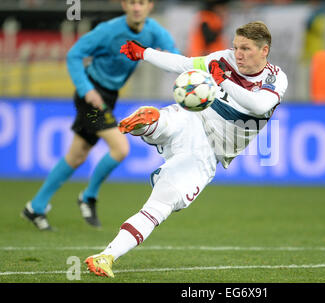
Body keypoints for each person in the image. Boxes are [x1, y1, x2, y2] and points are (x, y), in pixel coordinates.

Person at [84, 21, 288, 278]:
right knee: (172, 134)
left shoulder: (275, 77)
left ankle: (106, 256)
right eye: (236, 47)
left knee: (160, 203)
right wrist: (143, 52)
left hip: (207, 149)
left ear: (264, 50)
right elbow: (183, 64)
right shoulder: (223, 60)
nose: (237, 54)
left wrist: (222, 81)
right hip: (196, 123)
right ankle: (150, 125)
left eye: (246, 49)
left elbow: (259, 106)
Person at [21, 0, 180, 231]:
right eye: (132, 2)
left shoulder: (154, 31)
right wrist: (87, 90)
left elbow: (173, 58)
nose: (137, 7)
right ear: (125, 5)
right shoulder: (108, 31)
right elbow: (74, 54)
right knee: (121, 148)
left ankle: (35, 207)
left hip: (110, 96)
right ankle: (88, 196)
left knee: (77, 155)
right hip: (92, 95)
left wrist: (168, 58)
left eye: (142, 3)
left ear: (150, 6)